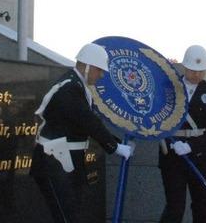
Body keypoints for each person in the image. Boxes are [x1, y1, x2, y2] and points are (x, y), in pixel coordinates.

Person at [30, 43, 134, 222]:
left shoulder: (76, 85)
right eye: (99, 70)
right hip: (54, 161)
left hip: (65, 159)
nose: (101, 75)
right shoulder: (69, 88)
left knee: (72, 213)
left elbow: (86, 123)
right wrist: (115, 146)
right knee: (67, 216)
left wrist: (115, 143)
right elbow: (87, 121)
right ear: (87, 67)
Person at [159, 45, 206, 223]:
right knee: (174, 208)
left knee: (203, 208)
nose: (196, 75)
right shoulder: (169, 89)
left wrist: (190, 146)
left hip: (201, 157)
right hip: (172, 157)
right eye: (192, 70)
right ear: (184, 67)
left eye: (201, 71)